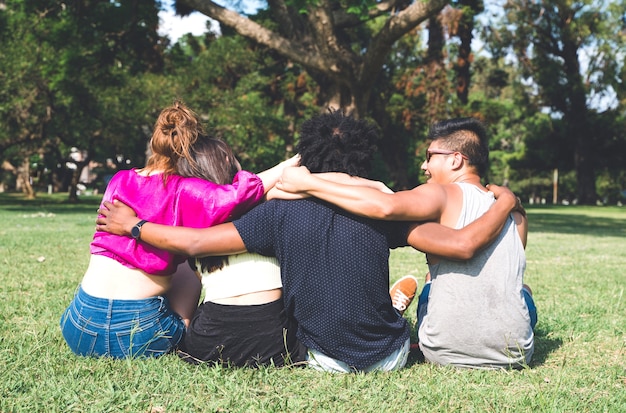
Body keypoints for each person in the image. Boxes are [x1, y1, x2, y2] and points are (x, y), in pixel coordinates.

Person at [95, 111, 521, 372]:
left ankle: (391, 304)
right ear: (362, 157)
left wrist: (135, 227)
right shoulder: (382, 205)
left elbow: (195, 244)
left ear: (307, 155)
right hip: (390, 360)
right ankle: (392, 306)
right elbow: (456, 243)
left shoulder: (279, 212)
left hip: (323, 360)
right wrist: (503, 208)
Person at [276, 117, 536, 369]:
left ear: (456, 159)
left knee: (430, 283)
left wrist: (308, 182)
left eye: (430, 155)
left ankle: (400, 305)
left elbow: (386, 207)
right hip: (516, 353)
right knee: (522, 289)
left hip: (442, 350)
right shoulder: (516, 214)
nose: (424, 166)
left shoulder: (440, 193)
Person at [59, 101, 298, 359]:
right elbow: (237, 195)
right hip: (140, 332)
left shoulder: (120, 179)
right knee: (185, 261)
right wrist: (293, 162)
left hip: (79, 325)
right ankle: (182, 326)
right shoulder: (185, 190)